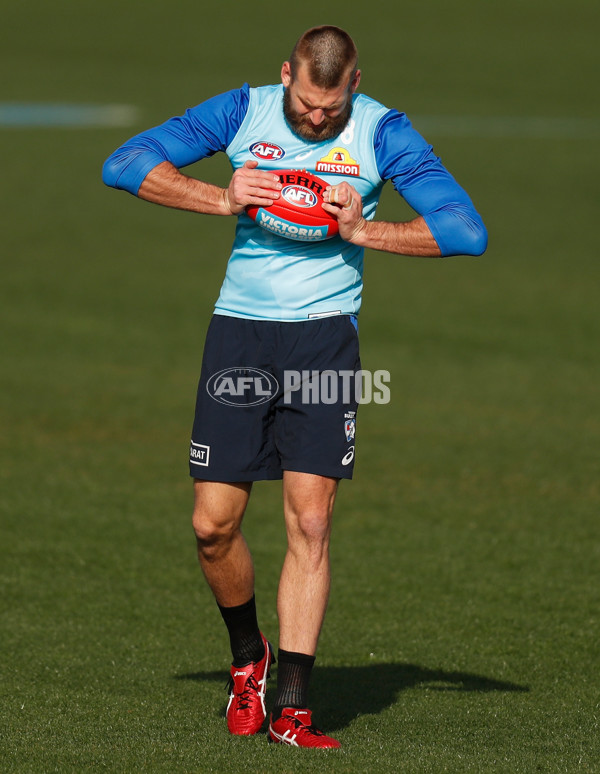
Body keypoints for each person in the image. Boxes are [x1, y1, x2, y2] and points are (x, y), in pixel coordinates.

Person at [102, 25, 487, 748]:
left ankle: (294, 707)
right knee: (212, 526)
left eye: (331, 107)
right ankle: (249, 658)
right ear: (286, 76)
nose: (317, 119)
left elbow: (466, 231)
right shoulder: (240, 113)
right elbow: (124, 164)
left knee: (310, 521)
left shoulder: (382, 132)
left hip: (323, 339)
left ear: (355, 84)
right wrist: (220, 197)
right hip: (239, 334)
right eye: (307, 105)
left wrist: (364, 231)